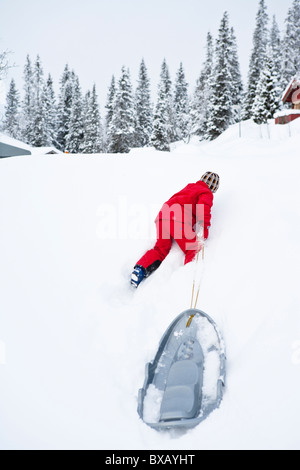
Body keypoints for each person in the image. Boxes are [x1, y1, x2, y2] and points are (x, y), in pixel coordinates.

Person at [131, 171, 220, 288]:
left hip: (163, 215)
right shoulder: (206, 192)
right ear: (213, 188)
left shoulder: (189, 187)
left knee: (160, 249)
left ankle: (140, 270)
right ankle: (188, 279)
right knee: (193, 247)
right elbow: (203, 209)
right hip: (178, 219)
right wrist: (203, 231)